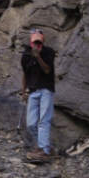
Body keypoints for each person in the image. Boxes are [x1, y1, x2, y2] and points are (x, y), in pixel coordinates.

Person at [20, 29, 55, 162]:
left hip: (46, 89)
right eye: (35, 42)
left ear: (43, 41)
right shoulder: (25, 55)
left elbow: (47, 70)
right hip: (33, 91)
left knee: (43, 120)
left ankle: (44, 151)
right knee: (30, 124)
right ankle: (46, 147)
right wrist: (24, 92)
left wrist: (38, 56)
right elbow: (25, 74)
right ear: (31, 42)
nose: (37, 45)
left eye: (39, 42)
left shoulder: (49, 52)